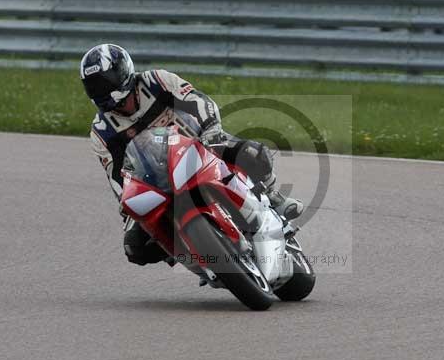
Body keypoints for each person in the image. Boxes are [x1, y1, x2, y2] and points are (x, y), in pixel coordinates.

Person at [80, 43, 304, 266]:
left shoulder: (156, 81)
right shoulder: (101, 131)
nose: (102, 90)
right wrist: (128, 208)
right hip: (157, 180)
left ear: (122, 72)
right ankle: (188, 251)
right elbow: (117, 177)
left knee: (254, 153)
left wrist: (211, 129)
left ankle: (274, 197)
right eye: (94, 86)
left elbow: (198, 101)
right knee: (134, 247)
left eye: (105, 82)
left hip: (201, 145)